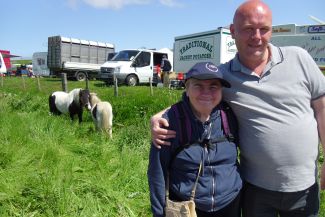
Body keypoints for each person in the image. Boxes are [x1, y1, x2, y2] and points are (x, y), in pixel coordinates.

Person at [150, 1, 325, 216]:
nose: (257, 37)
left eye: (264, 29)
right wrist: (161, 116)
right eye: (249, 29)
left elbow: (322, 107)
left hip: (304, 186)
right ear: (233, 31)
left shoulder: (299, 58)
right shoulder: (224, 76)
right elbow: (197, 97)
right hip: (255, 189)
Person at [148, 62, 242, 217]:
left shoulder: (230, 116)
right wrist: (159, 213)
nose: (206, 92)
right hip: (187, 207)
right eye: (198, 85)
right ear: (187, 87)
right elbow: (157, 172)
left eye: (213, 86)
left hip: (230, 203)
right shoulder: (170, 122)